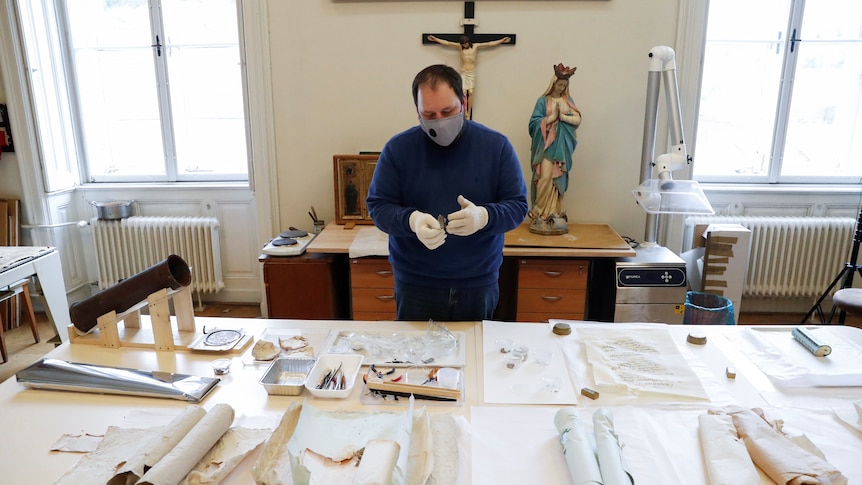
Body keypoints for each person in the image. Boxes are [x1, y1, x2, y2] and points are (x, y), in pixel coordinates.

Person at [367, 64, 528, 321]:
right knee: (417, 360)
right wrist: (412, 221)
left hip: (477, 283)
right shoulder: (398, 149)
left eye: (448, 111)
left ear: (463, 101)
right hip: (416, 284)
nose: (439, 121)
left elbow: (518, 206)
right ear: (417, 111)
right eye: (429, 114)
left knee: (474, 358)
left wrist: (484, 217)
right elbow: (378, 207)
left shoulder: (496, 147)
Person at [528, 63, 582, 235]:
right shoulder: (542, 101)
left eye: (564, 85)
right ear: (553, 83)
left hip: (562, 148)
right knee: (544, 176)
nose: (561, 87)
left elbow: (578, 120)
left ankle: (554, 212)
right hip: (546, 148)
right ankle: (540, 212)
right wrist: (552, 117)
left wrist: (563, 117)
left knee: (558, 179)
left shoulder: (568, 101)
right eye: (559, 84)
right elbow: (534, 124)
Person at [426, 35, 511, 120]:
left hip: (471, 72)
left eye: (465, 44)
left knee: (470, 92)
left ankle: (469, 112)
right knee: (463, 92)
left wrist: (501, 41)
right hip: (464, 72)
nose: (464, 46)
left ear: (468, 42)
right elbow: (447, 43)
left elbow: (489, 44)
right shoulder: (460, 48)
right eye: (462, 45)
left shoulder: (475, 47)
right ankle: (464, 111)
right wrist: (435, 39)